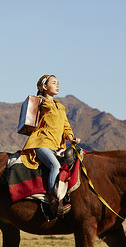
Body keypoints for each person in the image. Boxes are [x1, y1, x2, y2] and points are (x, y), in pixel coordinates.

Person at [20, 74, 81, 216]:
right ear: (44, 87)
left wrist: (71, 139)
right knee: (56, 166)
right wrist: (40, 100)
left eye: (58, 83)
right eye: (54, 83)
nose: (57, 85)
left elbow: (66, 126)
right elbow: (37, 111)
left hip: (58, 146)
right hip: (42, 142)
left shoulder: (60, 107)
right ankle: (53, 200)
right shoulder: (41, 103)